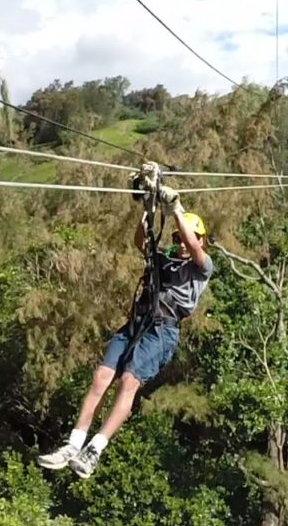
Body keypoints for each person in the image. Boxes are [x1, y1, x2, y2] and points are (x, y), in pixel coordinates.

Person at [36, 185, 213, 478]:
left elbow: (194, 249)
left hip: (162, 332)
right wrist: (148, 207)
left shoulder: (202, 268)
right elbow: (140, 241)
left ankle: (95, 448)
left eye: (188, 239)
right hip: (137, 324)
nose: (183, 244)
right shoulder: (164, 261)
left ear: (202, 240)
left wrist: (177, 210)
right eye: (178, 239)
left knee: (129, 381)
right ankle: (73, 444)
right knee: (101, 377)